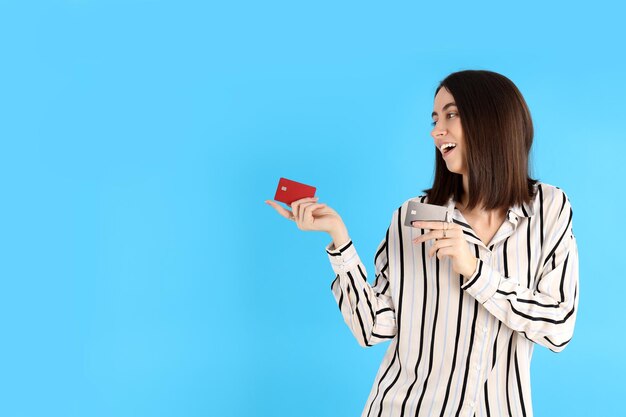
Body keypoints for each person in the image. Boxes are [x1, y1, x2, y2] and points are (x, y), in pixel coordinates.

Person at [265, 69, 579, 417]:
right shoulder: (411, 218)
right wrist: (339, 241)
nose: (436, 131)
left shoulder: (548, 209)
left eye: (451, 114)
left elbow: (559, 327)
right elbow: (373, 327)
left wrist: (476, 273)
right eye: (434, 119)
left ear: (492, 119)